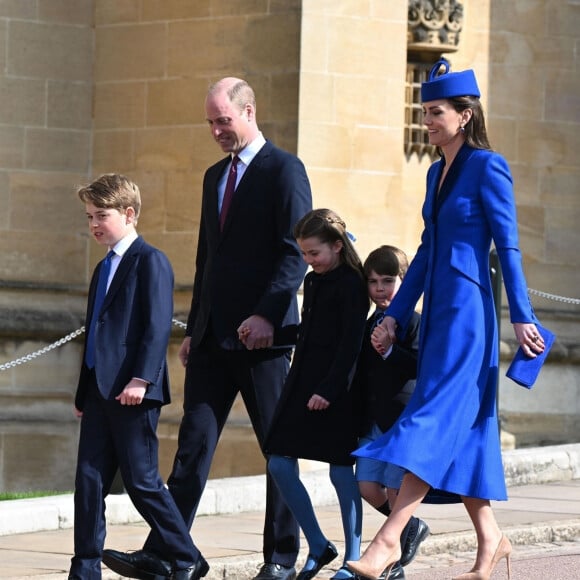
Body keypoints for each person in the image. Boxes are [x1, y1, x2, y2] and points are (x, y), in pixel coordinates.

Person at [103, 77, 312, 580]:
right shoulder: (213, 176)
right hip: (214, 340)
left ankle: (281, 558)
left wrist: (266, 313)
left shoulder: (285, 170)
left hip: (265, 341)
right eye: (211, 122)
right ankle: (170, 552)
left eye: (224, 119)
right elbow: (207, 259)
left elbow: (295, 252)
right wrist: (195, 327)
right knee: (192, 446)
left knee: (277, 449)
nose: (217, 130)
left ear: (249, 112)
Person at [346, 59, 546, 580]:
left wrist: (522, 316)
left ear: (464, 114)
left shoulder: (488, 166)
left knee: (429, 418)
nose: (427, 121)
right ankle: (491, 542)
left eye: (435, 112)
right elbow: (427, 249)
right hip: (437, 315)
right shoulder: (436, 171)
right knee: (467, 431)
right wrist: (392, 315)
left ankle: (388, 540)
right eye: (424, 112)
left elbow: (509, 246)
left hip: (470, 317)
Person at [70, 174, 201, 580]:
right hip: (97, 391)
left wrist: (141, 380)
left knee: (142, 482)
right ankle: (86, 568)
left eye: (102, 215)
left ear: (129, 214)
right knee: (89, 483)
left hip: (132, 392)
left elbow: (156, 326)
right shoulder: (102, 267)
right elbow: (96, 330)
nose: (94, 224)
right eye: (90, 216)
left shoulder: (151, 261)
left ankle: (186, 558)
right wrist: (82, 392)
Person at [259, 209, 369, 580]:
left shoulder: (353, 282)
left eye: (314, 253)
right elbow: (311, 332)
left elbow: (350, 343)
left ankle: (353, 560)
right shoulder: (315, 279)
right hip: (302, 383)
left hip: (337, 389)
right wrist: (276, 335)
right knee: (278, 463)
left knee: (341, 471)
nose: (308, 260)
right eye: (304, 254)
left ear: (337, 246)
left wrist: (329, 390)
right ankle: (319, 544)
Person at [353, 245, 425, 580]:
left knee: (397, 490)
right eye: (373, 282)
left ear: (405, 281)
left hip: (401, 418)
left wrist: (388, 350)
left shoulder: (413, 322)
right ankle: (409, 527)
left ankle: (391, 564)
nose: (380, 289)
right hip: (374, 420)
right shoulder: (370, 322)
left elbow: (419, 366)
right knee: (367, 485)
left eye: (387, 280)